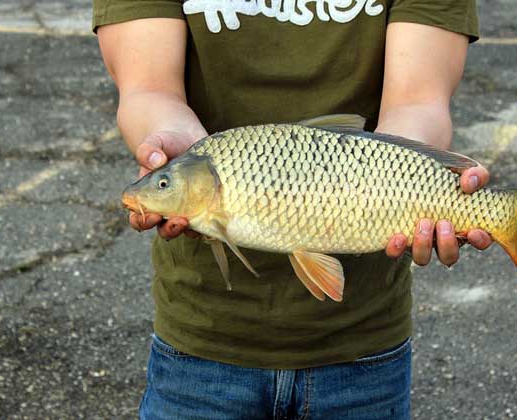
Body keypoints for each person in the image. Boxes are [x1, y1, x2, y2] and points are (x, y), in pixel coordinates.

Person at [94, 0, 492, 418]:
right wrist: (166, 141)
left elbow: (417, 102)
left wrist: (410, 190)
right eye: (162, 185)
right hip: (200, 343)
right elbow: (147, 89)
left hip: (364, 343)